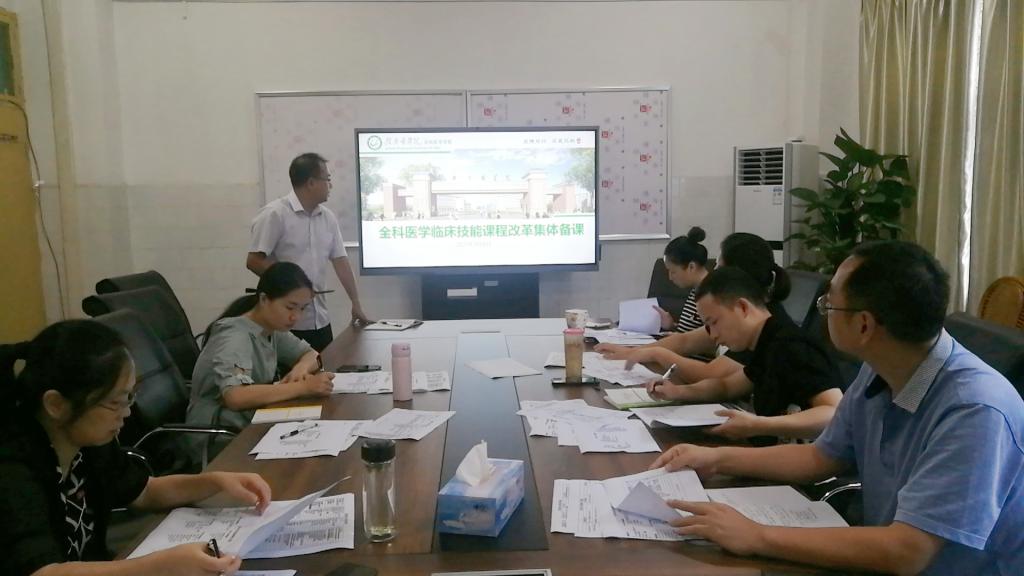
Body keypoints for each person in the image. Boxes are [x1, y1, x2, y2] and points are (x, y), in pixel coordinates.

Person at [651, 241, 1023, 575]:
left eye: (828, 305)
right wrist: (716, 459)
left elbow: (908, 552)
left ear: (863, 325)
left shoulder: (975, 410)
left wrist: (756, 535)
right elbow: (820, 457)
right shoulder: (882, 368)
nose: (823, 313)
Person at [0, 320, 271, 576]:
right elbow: (42, 572)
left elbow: (144, 491)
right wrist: (158, 567)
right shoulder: (12, 469)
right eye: (115, 403)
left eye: (129, 398)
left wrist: (214, 482)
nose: (127, 413)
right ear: (56, 405)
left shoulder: (86, 441)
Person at [645, 266, 842, 442]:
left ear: (743, 307)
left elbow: (833, 413)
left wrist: (758, 425)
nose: (712, 335)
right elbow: (726, 386)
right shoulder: (763, 341)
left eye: (714, 323)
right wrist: (678, 392)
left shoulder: (791, 346)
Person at [598, 232, 794, 382]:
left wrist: (654, 354)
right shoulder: (738, 314)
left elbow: (711, 375)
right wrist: (630, 352)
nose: (713, 272)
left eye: (719, 267)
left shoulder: (758, 323)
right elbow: (685, 341)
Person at [187, 262, 334, 459]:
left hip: (248, 422)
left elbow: (312, 355)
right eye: (290, 307)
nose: (296, 317)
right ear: (264, 299)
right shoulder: (234, 335)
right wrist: (303, 387)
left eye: (302, 309)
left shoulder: (271, 327)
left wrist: (300, 369)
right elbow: (236, 396)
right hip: (218, 436)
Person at [247, 152, 370, 352]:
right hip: (285, 321)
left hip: (320, 318)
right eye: (327, 179)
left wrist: (355, 303)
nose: (330, 185)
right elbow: (254, 261)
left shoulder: (328, 218)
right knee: (293, 371)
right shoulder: (275, 214)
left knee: (323, 366)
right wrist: (291, 286)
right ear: (311, 183)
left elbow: (341, 261)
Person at [653, 226, 711, 333]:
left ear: (691, 267)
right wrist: (672, 326)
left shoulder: (711, 295)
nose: (670, 277)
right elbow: (690, 332)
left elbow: (710, 338)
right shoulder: (696, 290)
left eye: (673, 271)